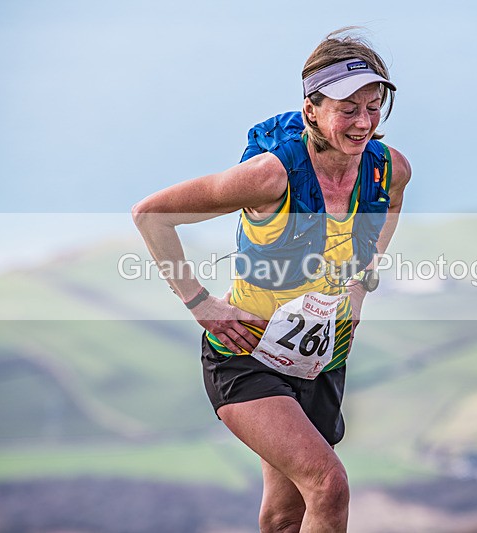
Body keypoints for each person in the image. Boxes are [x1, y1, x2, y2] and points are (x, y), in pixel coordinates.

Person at [132, 28, 410, 532]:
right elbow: (152, 215)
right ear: (312, 110)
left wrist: (362, 279)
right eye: (347, 108)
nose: (363, 122)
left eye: (374, 107)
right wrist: (199, 302)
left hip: (321, 357)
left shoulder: (387, 169)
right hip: (246, 354)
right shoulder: (269, 175)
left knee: (287, 514)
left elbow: (390, 205)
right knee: (329, 484)